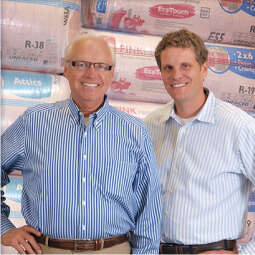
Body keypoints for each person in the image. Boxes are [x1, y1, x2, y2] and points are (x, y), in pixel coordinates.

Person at [1, 33, 162, 254]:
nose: (91, 73)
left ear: (112, 73)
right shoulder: (33, 122)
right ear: (66, 69)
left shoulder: (135, 131)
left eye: (101, 66)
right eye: (82, 64)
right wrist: (4, 229)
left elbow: (149, 208)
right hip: (47, 250)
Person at [144, 29, 255, 254]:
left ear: (204, 68)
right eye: (169, 68)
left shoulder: (239, 127)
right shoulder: (150, 125)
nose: (176, 75)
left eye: (186, 66)